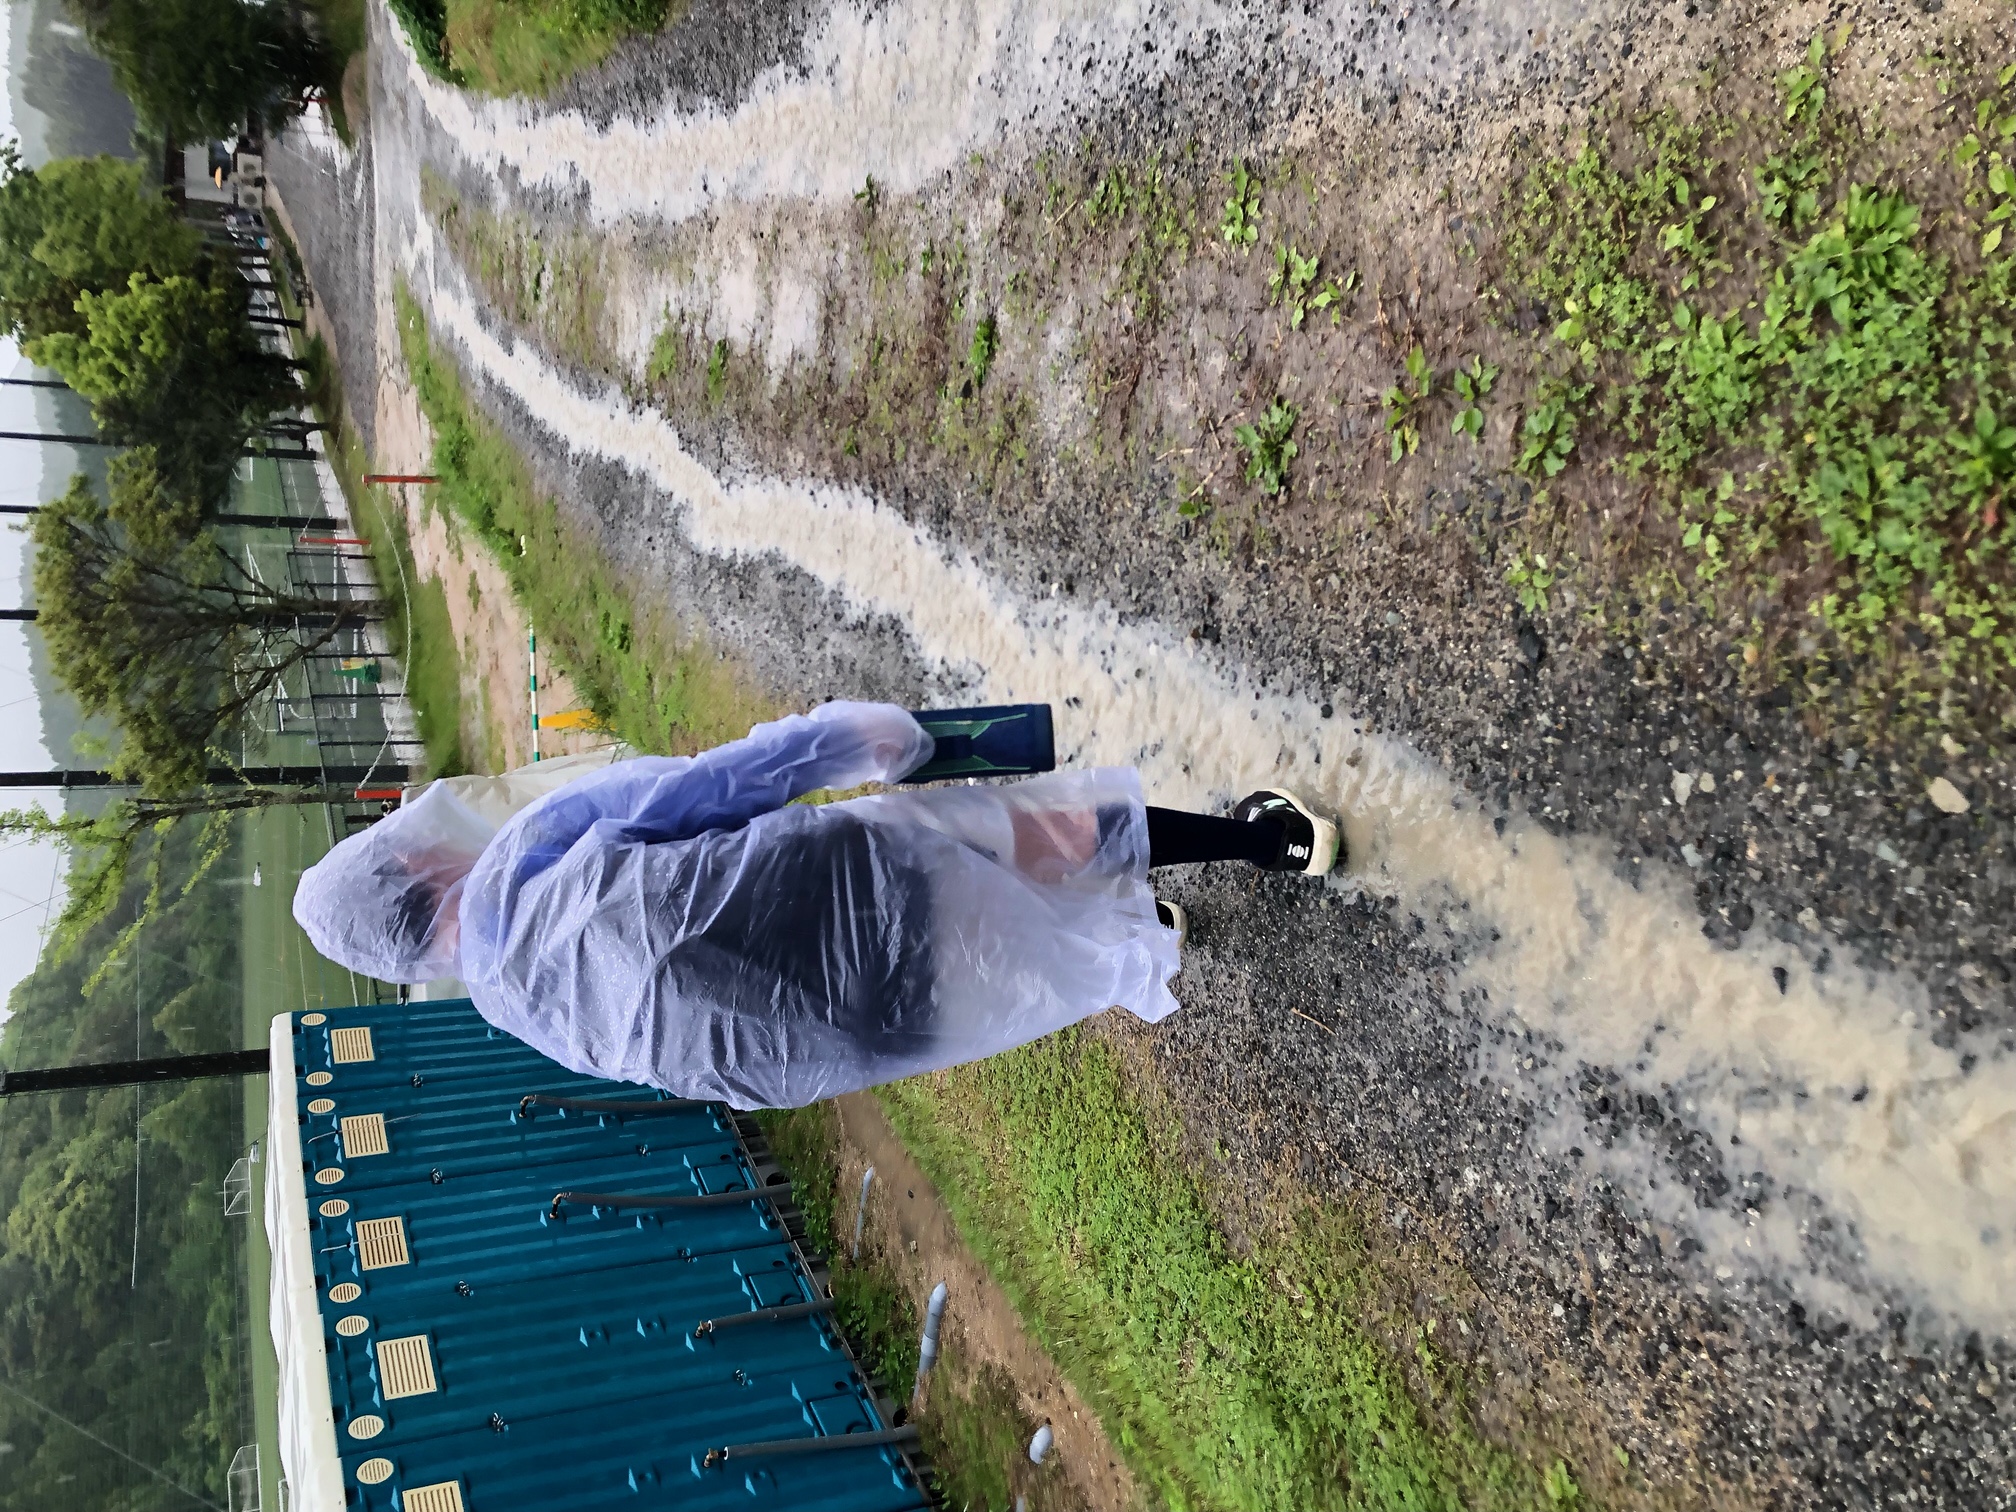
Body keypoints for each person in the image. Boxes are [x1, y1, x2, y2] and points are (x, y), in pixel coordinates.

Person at [293, 702, 1341, 1109]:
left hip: (838, 1023)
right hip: (837, 881)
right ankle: (1267, 840)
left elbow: (679, 1057)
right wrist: (858, 739)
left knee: (996, 944)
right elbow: (705, 788)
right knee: (1045, 836)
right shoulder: (526, 850)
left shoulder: (515, 1010)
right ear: (419, 867)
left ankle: (1139, 935)